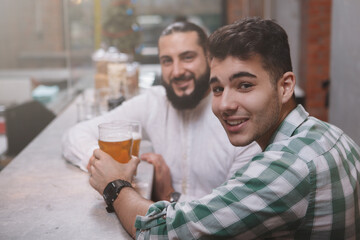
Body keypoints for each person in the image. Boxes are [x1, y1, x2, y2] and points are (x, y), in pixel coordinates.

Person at [88, 17, 360, 239]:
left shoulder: (287, 168)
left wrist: (115, 185)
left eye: (245, 85)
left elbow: (162, 232)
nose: (225, 104)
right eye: (217, 88)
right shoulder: (331, 135)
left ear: (285, 86)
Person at [62, 21, 260, 202]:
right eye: (167, 61)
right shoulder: (154, 102)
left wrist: (168, 195)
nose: (177, 71)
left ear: (210, 58)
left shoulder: (236, 114)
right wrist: (99, 165)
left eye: (187, 57)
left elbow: (229, 213)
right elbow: (75, 135)